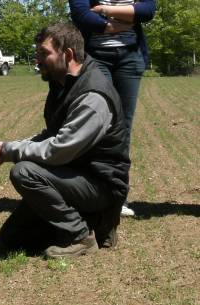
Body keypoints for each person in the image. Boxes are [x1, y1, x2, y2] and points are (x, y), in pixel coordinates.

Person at [0, 23, 130, 259]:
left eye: (44, 53)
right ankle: (95, 225)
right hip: (74, 175)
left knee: (25, 172)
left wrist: (5, 151)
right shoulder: (62, 83)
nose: (37, 60)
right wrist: (8, 146)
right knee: (12, 238)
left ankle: (82, 235)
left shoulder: (92, 96)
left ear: (69, 54)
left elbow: (59, 149)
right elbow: (51, 134)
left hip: (101, 185)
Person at [69, 0, 156, 217]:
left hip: (130, 57)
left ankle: (118, 196)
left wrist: (104, 10)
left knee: (123, 128)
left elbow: (147, 11)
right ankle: (90, 195)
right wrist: (111, 25)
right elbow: (81, 15)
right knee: (96, 123)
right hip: (95, 58)